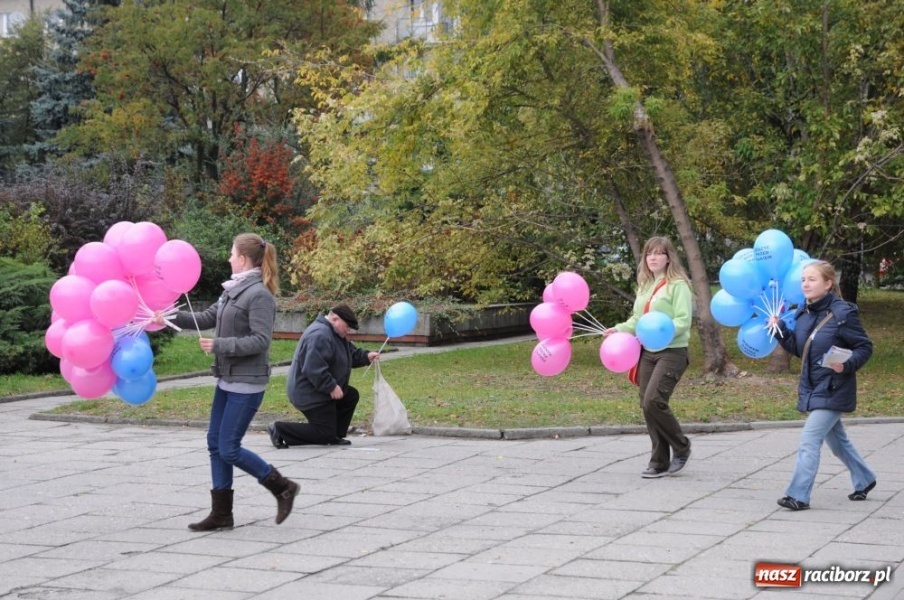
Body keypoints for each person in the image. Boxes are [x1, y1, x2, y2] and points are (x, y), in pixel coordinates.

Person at [156, 233, 299, 531]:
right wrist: (168, 317)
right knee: (215, 443)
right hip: (227, 379)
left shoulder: (259, 295)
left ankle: (282, 486)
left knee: (229, 448)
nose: (228, 258)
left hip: (247, 382)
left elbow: (261, 340)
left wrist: (219, 345)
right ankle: (222, 514)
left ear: (244, 259)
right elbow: (207, 317)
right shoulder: (232, 289)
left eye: (232, 253)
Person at [770, 260, 875, 511]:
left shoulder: (843, 314)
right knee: (837, 442)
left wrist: (847, 363)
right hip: (814, 386)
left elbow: (865, 347)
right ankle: (865, 478)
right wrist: (779, 328)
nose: (806, 284)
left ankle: (799, 495)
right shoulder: (804, 314)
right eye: (803, 279)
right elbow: (799, 349)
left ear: (828, 284)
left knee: (809, 439)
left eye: (812, 279)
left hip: (835, 387)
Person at [604, 236, 694, 478]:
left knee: (654, 400)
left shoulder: (678, 285)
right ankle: (659, 461)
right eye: (649, 254)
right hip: (647, 352)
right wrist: (619, 329)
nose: (653, 258)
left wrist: (659, 332)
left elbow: (683, 321)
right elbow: (637, 320)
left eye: (658, 253)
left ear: (668, 257)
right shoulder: (645, 285)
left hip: (672, 351)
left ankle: (682, 447)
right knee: (646, 405)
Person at [268, 304, 379, 448]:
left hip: (316, 389)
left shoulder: (335, 333)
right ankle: (279, 429)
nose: (348, 331)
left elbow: (349, 354)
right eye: (347, 327)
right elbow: (313, 368)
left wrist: (366, 356)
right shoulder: (319, 334)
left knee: (350, 395)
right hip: (307, 392)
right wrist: (331, 386)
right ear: (334, 318)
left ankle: (334, 435)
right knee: (323, 432)